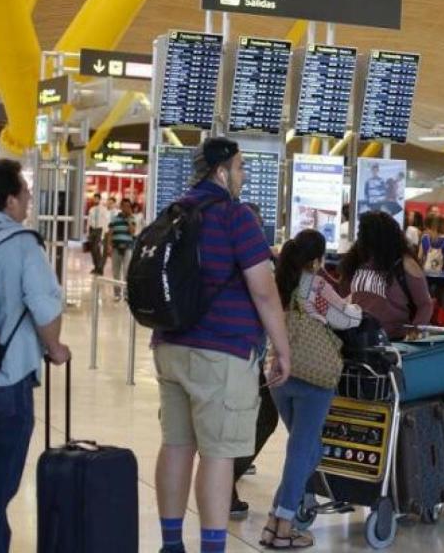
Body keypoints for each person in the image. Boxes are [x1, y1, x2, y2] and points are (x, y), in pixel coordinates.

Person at [152, 137, 291, 553]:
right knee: (217, 453)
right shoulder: (236, 217)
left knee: (176, 445)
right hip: (221, 352)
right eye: (241, 166)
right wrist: (282, 349)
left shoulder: (173, 213)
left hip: (169, 346)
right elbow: (264, 292)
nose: (244, 175)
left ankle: (171, 545)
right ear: (221, 171)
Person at [0, 159, 72, 553]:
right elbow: (45, 309)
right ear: (8, 201)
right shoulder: (22, 244)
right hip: (6, 383)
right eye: (23, 194)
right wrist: (55, 349)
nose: (27, 201)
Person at [262, 229, 361, 549]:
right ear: (317, 259)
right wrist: (356, 307)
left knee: (308, 449)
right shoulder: (317, 285)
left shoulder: (277, 284)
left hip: (278, 374)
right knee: (302, 449)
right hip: (313, 375)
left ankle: (273, 521)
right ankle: (284, 527)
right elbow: (345, 319)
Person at [229, 203, 280, 520]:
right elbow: (265, 300)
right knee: (266, 416)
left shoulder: (221, 256)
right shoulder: (256, 264)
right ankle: (225, 485)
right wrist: (283, 351)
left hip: (221, 350)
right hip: (243, 353)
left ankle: (228, 476)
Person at [340, 211, 434, 339]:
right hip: (359, 338)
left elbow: (425, 304)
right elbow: (343, 291)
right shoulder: (358, 259)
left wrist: (415, 331)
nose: (359, 235)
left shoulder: (405, 263)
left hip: (394, 341)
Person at [106, 198, 137, 299]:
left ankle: (126, 293)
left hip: (128, 248)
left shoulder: (132, 219)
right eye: (124, 206)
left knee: (127, 271)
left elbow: (132, 232)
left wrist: (128, 220)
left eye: (128, 206)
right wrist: (109, 246)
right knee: (116, 272)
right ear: (121, 207)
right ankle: (117, 294)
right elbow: (110, 233)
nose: (126, 208)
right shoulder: (115, 219)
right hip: (116, 248)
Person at [86, 193, 110, 275]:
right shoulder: (91, 209)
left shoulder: (104, 209)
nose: (95, 200)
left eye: (97, 198)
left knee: (97, 249)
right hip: (93, 229)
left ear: (99, 199)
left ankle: (100, 267)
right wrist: (88, 232)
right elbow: (89, 221)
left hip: (100, 230)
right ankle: (96, 266)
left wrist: (103, 233)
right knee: (92, 250)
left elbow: (105, 222)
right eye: (94, 198)